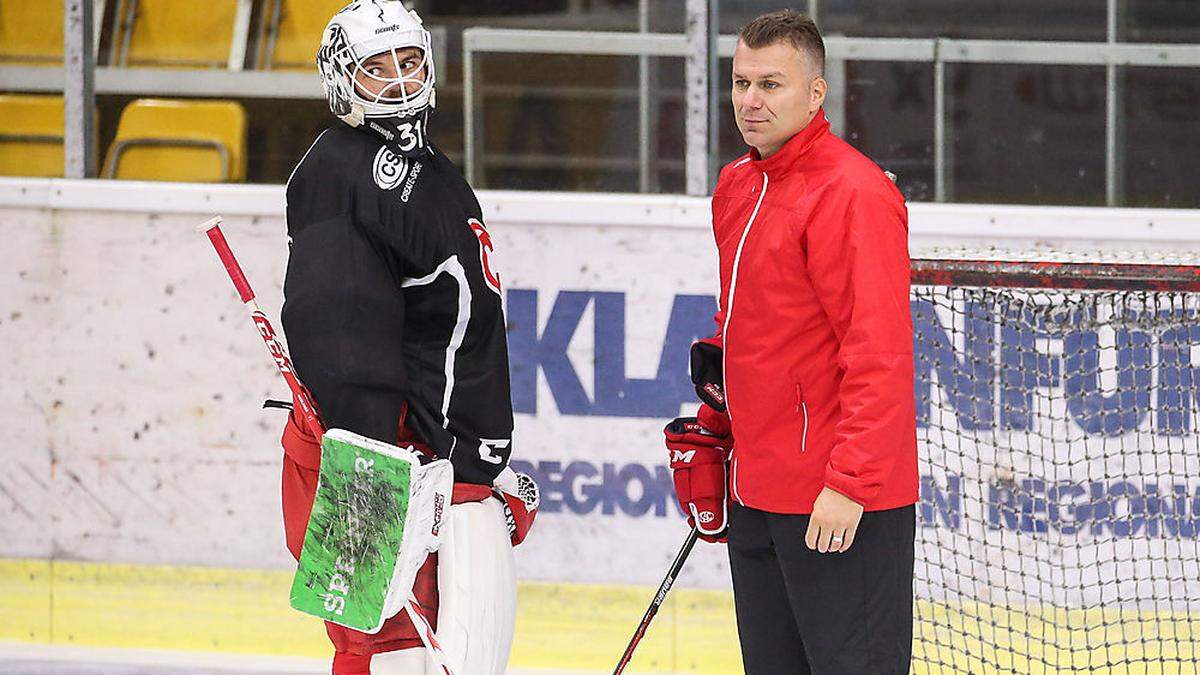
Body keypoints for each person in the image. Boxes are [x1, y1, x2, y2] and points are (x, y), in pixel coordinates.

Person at [277, 2, 535, 673]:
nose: (397, 80)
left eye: (409, 61)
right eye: (376, 68)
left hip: (451, 473)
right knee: (385, 651)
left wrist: (483, 461)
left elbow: (452, 331)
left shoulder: (430, 172)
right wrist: (374, 502)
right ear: (343, 81)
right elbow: (339, 345)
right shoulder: (341, 174)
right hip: (392, 469)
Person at [664, 9, 918, 674]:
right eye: (741, 83)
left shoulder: (853, 193)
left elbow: (879, 352)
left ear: (815, 93)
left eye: (771, 84)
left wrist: (850, 483)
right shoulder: (737, 186)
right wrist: (717, 430)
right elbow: (744, 329)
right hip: (758, 489)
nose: (750, 100)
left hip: (839, 502)